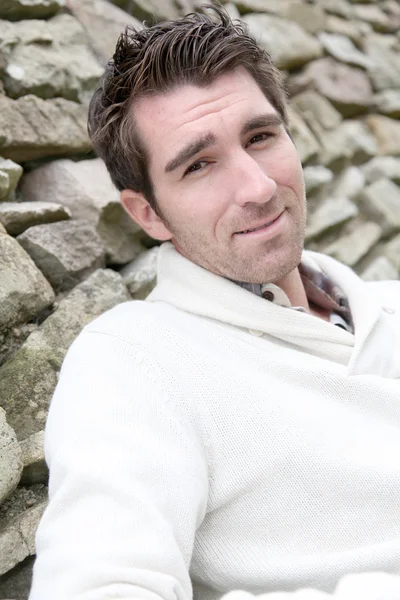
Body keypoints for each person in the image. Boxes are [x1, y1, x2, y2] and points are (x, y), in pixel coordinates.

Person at [29, 5, 400, 600]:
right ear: (147, 213)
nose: (257, 187)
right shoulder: (133, 361)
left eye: (260, 137)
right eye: (199, 165)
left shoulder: (387, 305)